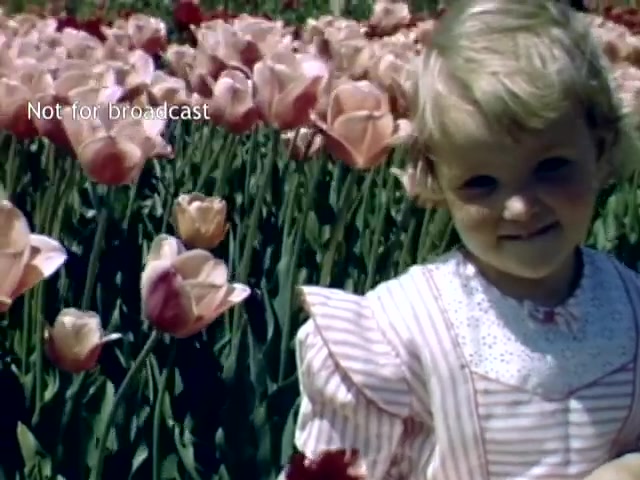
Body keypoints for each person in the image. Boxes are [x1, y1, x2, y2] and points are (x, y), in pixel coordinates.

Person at [290, 1, 640, 478]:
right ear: (437, 178)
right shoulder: (403, 334)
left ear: (599, 150)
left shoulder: (629, 306)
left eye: (551, 168)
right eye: (481, 184)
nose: (519, 206)